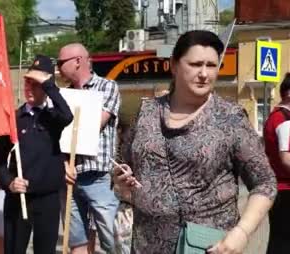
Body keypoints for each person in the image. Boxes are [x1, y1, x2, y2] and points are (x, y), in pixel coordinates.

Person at [113, 30, 277, 253]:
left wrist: (241, 233)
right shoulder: (146, 112)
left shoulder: (230, 118)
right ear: (174, 65)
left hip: (207, 245)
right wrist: (122, 186)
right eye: (195, 64)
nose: (204, 73)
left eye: (211, 65)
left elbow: (265, 183)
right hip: (147, 244)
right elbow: (125, 167)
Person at [0, 55, 73, 254]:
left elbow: (67, 115)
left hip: (47, 198)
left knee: (45, 250)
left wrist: (49, 86)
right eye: (27, 82)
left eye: (35, 84)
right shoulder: (14, 119)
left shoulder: (53, 118)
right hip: (19, 198)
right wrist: (9, 182)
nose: (29, 87)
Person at [56, 43, 120, 253]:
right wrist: (64, 163)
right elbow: (54, 137)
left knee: (111, 237)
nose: (58, 68)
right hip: (71, 177)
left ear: (77, 61)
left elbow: (91, 125)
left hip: (98, 176)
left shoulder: (107, 87)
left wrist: (63, 122)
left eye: (60, 63)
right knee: (77, 241)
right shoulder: (62, 95)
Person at [263, 72, 290, 254]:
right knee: (282, 244)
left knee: (280, 241)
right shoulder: (284, 120)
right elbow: (286, 158)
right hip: (286, 190)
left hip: (280, 190)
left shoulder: (276, 116)